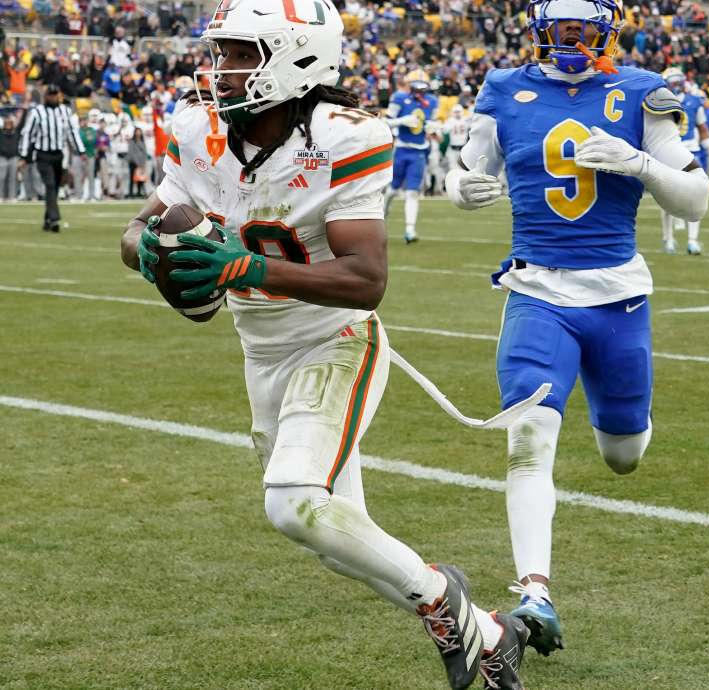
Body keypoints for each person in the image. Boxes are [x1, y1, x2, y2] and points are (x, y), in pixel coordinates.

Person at [120, 1, 528, 687]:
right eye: (219, 52)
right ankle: (493, 633)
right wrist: (150, 252)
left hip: (334, 341)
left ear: (295, 56)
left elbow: (366, 279)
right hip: (262, 351)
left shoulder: (344, 136)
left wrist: (245, 268)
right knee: (339, 537)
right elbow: (138, 227)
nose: (220, 70)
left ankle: (443, 601)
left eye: (241, 53)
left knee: (291, 502)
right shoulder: (199, 130)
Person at [446, 0, 709, 661]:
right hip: (536, 290)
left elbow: (697, 197)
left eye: (581, 27)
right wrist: (460, 186)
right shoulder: (503, 88)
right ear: (538, 29)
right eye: (560, 27)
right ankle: (535, 592)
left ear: (604, 28)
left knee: (624, 454)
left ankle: (617, 422)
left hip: (618, 294)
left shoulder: (643, 92)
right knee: (528, 439)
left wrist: (641, 164)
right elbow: (464, 171)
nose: (571, 38)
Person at [19, 83, 85, 231]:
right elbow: (27, 133)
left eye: (56, 94)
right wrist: (23, 155)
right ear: (46, 96)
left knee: (54, 187)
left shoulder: (65, 111)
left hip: (58, 155)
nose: (54, 97)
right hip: (43, 154)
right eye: (51, 94)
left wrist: (80, 151)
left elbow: (72, 132)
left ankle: (47, 220)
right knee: (49, 184)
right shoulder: (37, 112)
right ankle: (54, 219)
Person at [659, 67, 709, 254]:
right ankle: (669, 238)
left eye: (678, 80)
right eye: (672, 81)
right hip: (668, 150)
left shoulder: (694, 100)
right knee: (667, 197)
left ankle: (692, 240)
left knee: (696, 195)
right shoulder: (657, 101)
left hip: (691, 149)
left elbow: (702, 127)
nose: (676, 85)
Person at [383, 70, 438, 243]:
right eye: (417, 88)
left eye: (423, 88)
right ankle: (381, 216)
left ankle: (410, 230)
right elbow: (385, 121)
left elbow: (433, 122)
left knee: (412, 192)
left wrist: (433, 127)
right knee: (392, 190)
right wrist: (401, 121)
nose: (421, 92)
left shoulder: (432, 101)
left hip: (419, 151)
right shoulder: (399, 98)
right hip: (401, 149)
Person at [0, 114, 21, 200]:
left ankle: (12, 196)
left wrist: (24, 110)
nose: (8, 125)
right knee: (2, 177)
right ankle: (0, 196)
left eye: (10, 123)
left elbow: (22, 123)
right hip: (2, 157)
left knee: (12, 178)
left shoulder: (16, 132)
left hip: (13, 158)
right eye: (6, 123)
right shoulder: (0, 132)